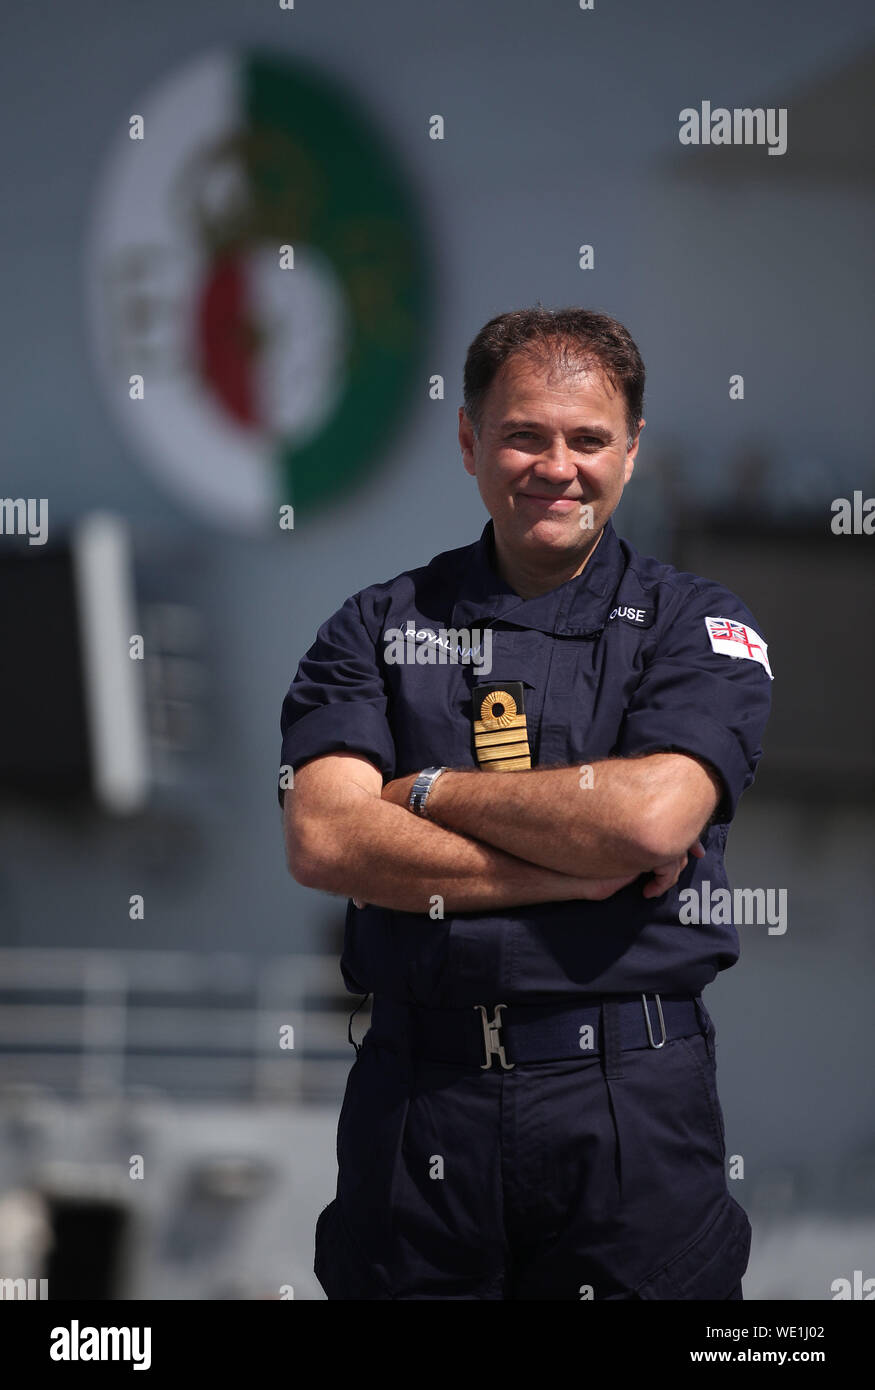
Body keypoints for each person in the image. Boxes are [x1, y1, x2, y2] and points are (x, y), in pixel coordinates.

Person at [278, 306, 773, 1300]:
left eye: (587, 439)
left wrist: (425, 792)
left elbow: (649, 821)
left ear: (630, 452)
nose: (556, 466)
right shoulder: (375, 626)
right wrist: (569, 866)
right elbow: (326, 833)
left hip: (629, 1111)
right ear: (468, 442)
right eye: (522, 434)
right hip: (421, 1103)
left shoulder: (699, 623)